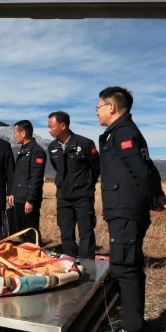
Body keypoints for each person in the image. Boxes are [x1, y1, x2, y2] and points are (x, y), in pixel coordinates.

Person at [96, 86, 166, 332]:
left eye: (98, 106)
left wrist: (153, 198)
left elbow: (141, 170)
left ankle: (132, 329)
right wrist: (158, 196)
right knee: (128, 264)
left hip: (126, 210)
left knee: (124, 267)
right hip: (124, 209)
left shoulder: (124, 132)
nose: (96, 112)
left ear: (112, 107)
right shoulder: (120, 132)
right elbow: (149, 168)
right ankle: (132, 320)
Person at [47, 111, 100, 259]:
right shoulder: (52, 147)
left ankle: (87, 266)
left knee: (86, 231)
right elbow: (58, 168)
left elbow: (95, 167)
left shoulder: (85, 144)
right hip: (63, 197)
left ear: (63, 126)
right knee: (65, 231)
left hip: (83, 196)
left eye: (51, 126)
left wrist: (87, 185)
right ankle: (70, 263)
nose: (49, 130)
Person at [11, 120, 46, 245]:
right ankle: (26, 256)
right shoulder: (23, 149)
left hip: (28, 200)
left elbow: (36, 178)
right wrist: (13, 193)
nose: (14, 135)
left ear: (23, 133)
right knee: (21, 230)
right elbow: (19, 176)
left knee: (31, 231)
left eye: (16, 132)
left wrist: (30, 200)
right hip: (19, 198)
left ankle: (36, 256)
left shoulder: (36, 151)